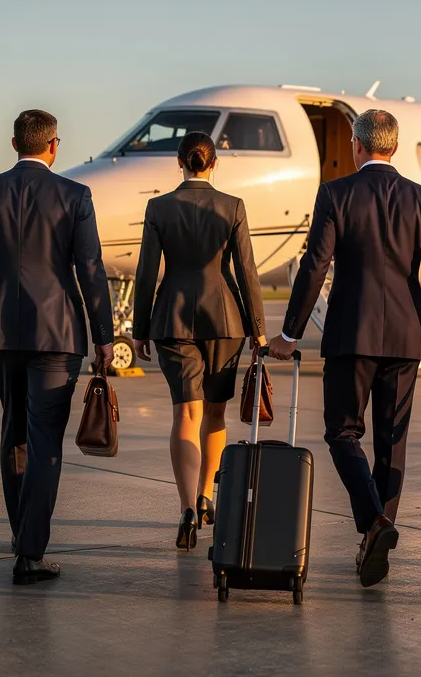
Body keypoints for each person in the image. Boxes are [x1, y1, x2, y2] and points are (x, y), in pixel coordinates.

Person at [268, 109, 421, 588]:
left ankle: (374, 522)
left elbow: (316, 266)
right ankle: (377, 535)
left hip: (350, 335)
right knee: (391, 442)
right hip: (405, 339)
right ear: (395, 148)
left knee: (341, 433)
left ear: (358, 146)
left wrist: (289, 334)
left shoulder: (335, 193)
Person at [0, 109, 115, 585]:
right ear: (53, 146)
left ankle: (23, 537)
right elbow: (91, 268)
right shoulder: (75, 195)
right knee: (44, 443)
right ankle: (31, 554)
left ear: (13, 144)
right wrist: (105, 337)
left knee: (13, 434)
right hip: (57, 335)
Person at [131, 132, 266, 551]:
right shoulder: (233, 207)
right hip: (224, 320)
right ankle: (208, 494)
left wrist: (139, 329)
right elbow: (246, 271)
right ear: (214, 164)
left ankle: (188, 506)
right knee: (216, 413)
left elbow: (147, 272)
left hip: (172, 318)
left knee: (185, 414)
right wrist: (259, 328)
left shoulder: (159, 207)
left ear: (180, 162)